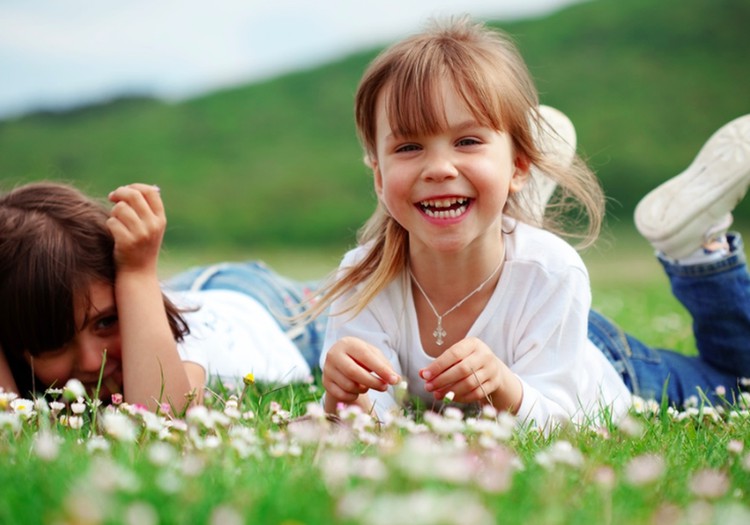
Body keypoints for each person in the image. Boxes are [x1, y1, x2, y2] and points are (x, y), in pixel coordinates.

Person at [313, 16, 750, 429]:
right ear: (378, 177)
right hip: (533, 310)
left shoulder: (553, 271)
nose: (439, 168)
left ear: (520, 165)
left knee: (737, 382)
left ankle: (695, 250)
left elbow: (565, 418)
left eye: (467, 141)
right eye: (409, 147)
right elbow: (373, 419)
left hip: (598, 361)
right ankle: (506, 213)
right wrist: (343, 395)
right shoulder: (363, 277)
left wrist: (507, 389)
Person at [0, 182, 324, 412]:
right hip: (189, 289)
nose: (89, 362)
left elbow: (162, 418)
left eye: (107, 322)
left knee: (350, 299)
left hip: (268, 311)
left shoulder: (172, 337)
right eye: (54, 343)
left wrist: (138, 272)